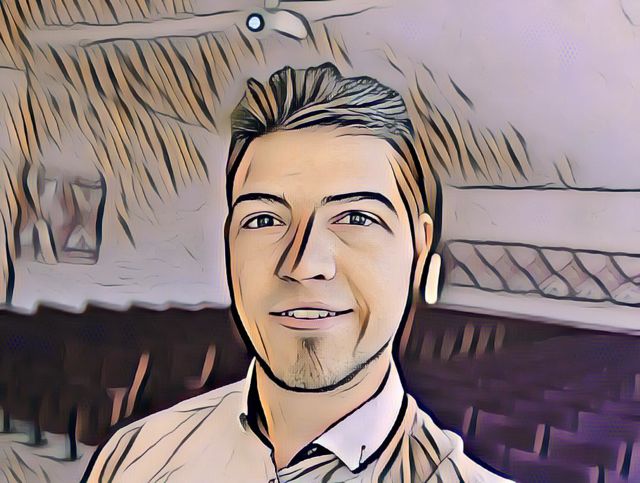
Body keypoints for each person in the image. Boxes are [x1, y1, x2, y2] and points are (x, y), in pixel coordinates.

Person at [84, 63, 512, 482]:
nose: (304, 265)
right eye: (264, 220)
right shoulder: (135, 457)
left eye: (357, 218)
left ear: (418, 249)